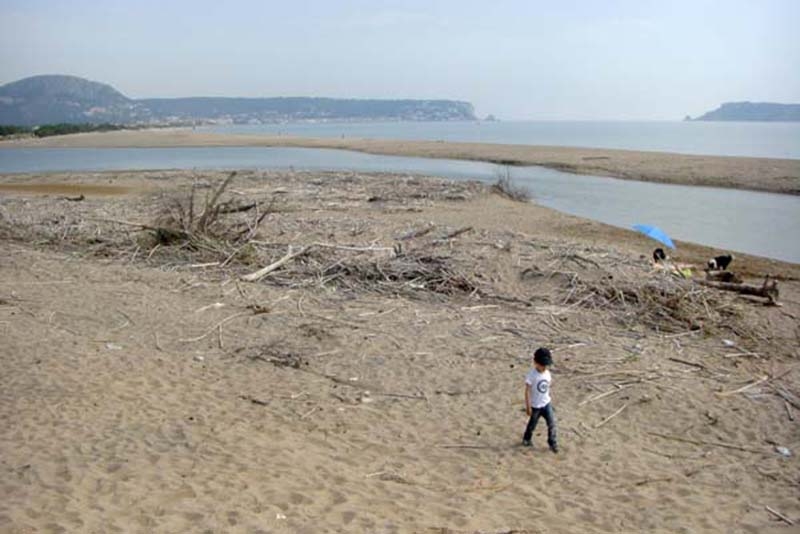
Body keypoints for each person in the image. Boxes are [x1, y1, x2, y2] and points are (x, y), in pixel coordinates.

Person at [522, 347, 558, 453]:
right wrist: (528, 407)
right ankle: (526, 439)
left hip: (546, 403)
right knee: (532, 424)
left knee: (552, 423)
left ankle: (552, 443)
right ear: (535, 362)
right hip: (535, 406)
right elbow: (527, 391)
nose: (544, 367)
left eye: (546, 365)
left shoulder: (547, 374)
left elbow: (547, 387)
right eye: (542, 365)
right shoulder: (532, 375)